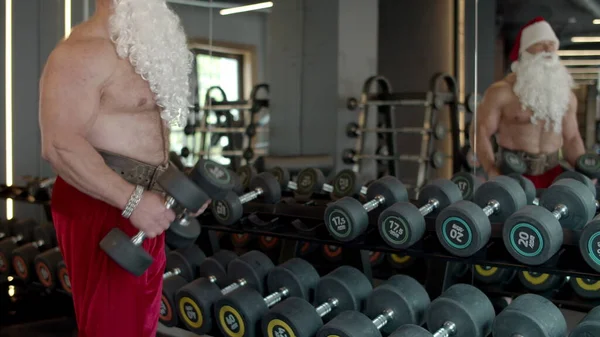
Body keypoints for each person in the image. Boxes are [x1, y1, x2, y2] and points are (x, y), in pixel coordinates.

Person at [38, 0, 207, 336]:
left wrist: (177, 186)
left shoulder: (140, 51)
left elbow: (141, 143)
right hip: (103, 203)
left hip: (141, 203)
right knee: (113, 327)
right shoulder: (83, 53)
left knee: (139, 324)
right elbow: (59, 144)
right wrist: (131, 200)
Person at [473, 17, 586, 188]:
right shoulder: (501, 92)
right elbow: (479, 132)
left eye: (551, 43)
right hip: (512, 174)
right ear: (525, 50)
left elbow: (571, 139)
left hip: (553, 174)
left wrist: (585, 172)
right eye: (540, 43)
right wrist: (490, 169)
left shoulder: (565, 96)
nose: (548, 48)